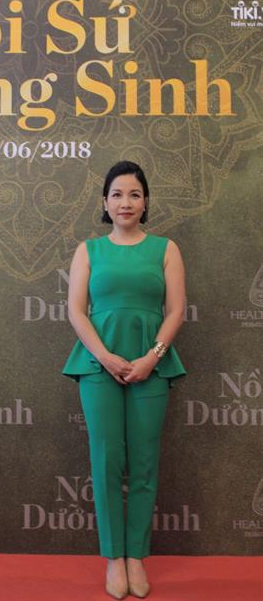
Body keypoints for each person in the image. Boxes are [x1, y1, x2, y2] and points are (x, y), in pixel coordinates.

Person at [62, 160, 187, 599]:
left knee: (145, 462)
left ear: (145, 202)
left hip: (152, 366)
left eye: (134, 194)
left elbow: (176, 311)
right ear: (105, 202)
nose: (126, 202)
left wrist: (152, 358)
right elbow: (76, 311)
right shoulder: (88, 251)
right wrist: (104, 357)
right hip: (98, 368)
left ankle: (136, 556)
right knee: (107, 460)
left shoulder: (166, 249)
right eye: (117, 194)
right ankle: (114, 557)